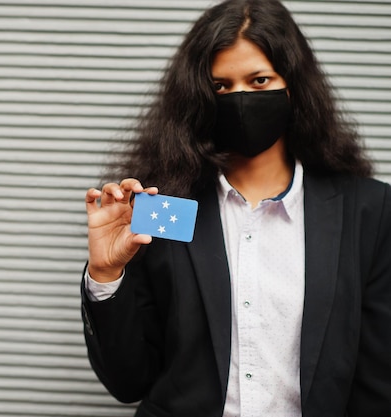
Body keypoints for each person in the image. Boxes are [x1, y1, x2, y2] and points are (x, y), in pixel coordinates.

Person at [80, 0, 391, 416]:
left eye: (259, 80)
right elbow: (128, 380)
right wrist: (105, 275)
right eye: (221, 86)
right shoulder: (164, 208)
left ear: (293, 85)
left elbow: (377, 382)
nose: (240, 98)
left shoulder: (366, 211)